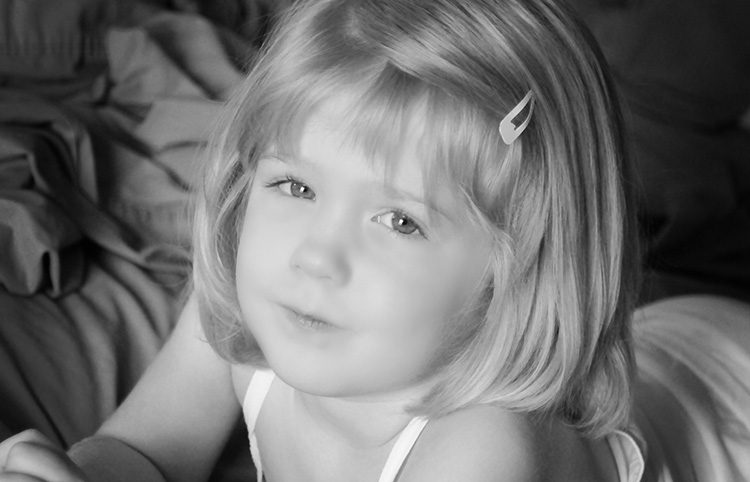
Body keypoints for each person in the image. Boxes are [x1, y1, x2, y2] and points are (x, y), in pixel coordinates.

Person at [5, 0, 747, 481]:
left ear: (516, 271)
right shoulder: (253, 301)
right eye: (295, 187)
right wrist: (77, 473)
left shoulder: (482, 452)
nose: (315, 256)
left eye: (400, 221)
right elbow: (145, 450)